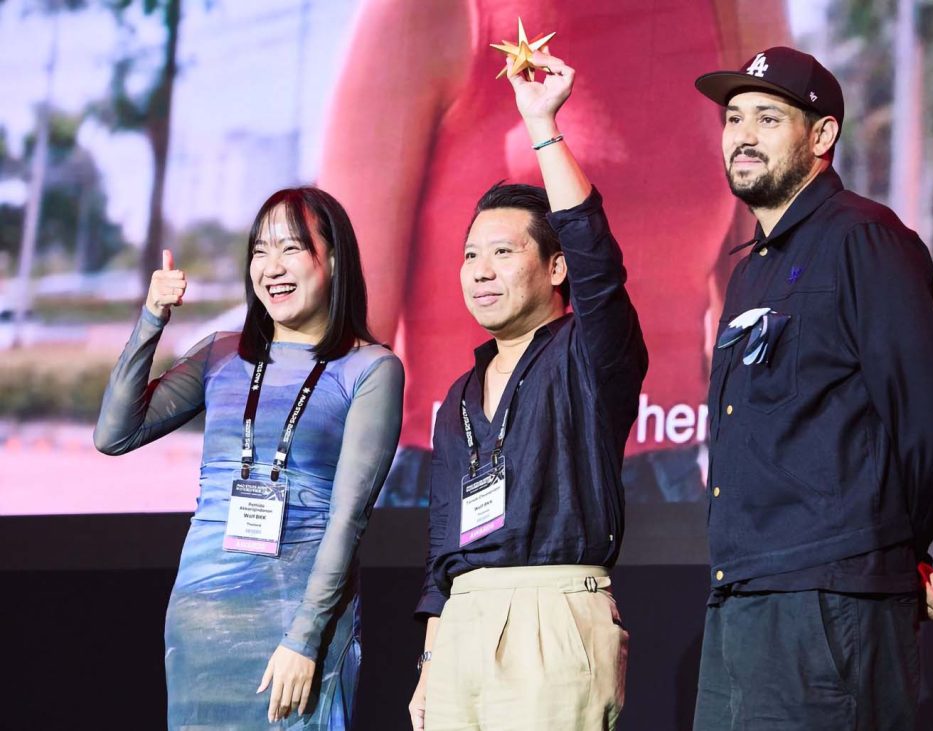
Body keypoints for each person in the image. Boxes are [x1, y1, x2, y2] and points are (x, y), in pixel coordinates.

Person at [320, 0, 789, 505]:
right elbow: (346, 345)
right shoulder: (428, 13)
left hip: (665, 484)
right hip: (474, 477)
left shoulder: (739, 11)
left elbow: (760, 310)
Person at [691, 47, 933, 730]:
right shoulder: (750, 270)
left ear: (821, 135)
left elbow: (927, 424)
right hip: (743, 595)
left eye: (767, 118)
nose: (742, 135)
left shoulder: (865, 239)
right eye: (733, 118)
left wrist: (898, 551)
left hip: (828, 598)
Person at [94, 187, 404, 729]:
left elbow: (348, 519)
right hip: (202, 618)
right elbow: (114, 434)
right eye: (260, 250)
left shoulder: (371, 369)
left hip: (296, 621)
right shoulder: (220, 354)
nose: (271, 267)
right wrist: (151, 317)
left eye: (291, 248)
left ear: (334, 259)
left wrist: (305, 637)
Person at [407, 51, 646, 730]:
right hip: (461, 627)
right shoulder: (458, 396)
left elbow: (598, 259)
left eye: (503, 252)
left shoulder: (589, 352)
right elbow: (442, 547)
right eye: (470, 255)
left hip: (555, 612)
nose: (480, 271)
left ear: (556, 267)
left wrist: (542, 126)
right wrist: (429, 664)